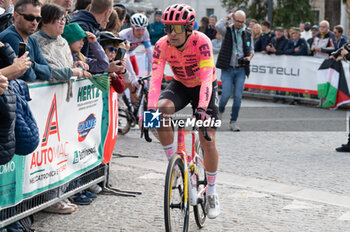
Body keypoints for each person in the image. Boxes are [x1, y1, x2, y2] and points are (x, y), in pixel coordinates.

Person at [148, 4, 220, 219]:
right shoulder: (162, 45)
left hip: (204, 87)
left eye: (177, 28)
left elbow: (207, 78)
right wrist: (150, 111)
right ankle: (175, 165)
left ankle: (212, 192)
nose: (171, 33)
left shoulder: (202, 42)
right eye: (168, 28)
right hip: (180, 85)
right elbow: (156, 78)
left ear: (189, 28)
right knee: (161, 111)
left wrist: (202, 109)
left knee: (207, 140)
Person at [215, 10, 254, 131]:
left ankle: (233, 121)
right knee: (225, 95)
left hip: (241, 69)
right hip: (228, 69)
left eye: (242, 22)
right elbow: (217, 26)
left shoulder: (247, 32)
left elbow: (252, 49)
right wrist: (227, 17)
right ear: (233, 19)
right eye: (238, 21)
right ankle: (219, 113)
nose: (240, 24)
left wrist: (249, 57)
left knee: (238, 97)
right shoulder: (227, 30)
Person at [33, 4, 90, 81]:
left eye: (63, 19)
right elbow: (48, 71)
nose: (62, 23)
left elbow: (62, 67)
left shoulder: (63, 41)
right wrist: (71, 72)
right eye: (58, 19)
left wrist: (74, 66)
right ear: (44, 22)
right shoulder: (34, 41)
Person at [0, 0, 52, 82]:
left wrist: (32, 64)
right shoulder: (9, 37)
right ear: (16, 16)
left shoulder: (33, 40)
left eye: (38, 19)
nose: (35, 22)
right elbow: (29, 76)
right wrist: (37, 70)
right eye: (30, 18)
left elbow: (48, 72)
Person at [119, 13, 153, 90]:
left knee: (136, 80)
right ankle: (120, 97)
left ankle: (133, 100)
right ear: (132, 27)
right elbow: (125, 56)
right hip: (122, 56)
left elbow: (149, 52)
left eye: (143, 29)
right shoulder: (124, 35)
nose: (141, 32)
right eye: (138, 29)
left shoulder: (145, 33)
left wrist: (156, 68)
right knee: (128, 79)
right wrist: (133, 76)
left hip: (131, 53)